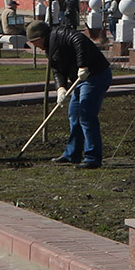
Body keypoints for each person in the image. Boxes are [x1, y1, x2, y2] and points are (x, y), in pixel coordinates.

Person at [31, 17, 112, 169]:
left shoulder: (60, 33)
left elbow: (79, 40)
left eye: (33, 42)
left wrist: (82, 66)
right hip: (81, 80)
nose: (34, 46)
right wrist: (60, 88)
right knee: (74, 113)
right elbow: (57, 69)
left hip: (95, 75)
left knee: (86, 114)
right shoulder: (49, 49)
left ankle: (93, 157)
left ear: (39, 37)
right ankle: (72, 153)